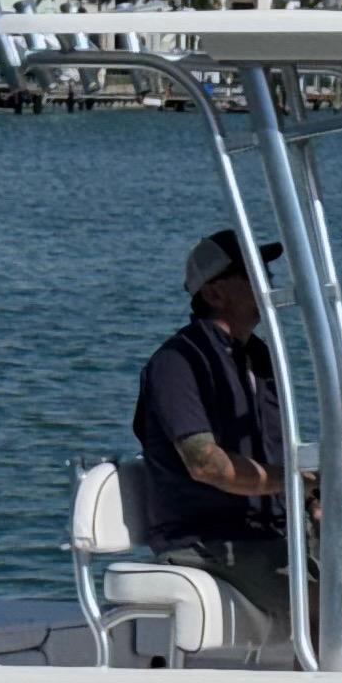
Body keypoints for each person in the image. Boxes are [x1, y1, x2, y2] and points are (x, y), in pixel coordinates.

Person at [130, 229, 300, 632]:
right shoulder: (178, 363)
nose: (268, 283)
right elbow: (208, 465)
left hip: (265, 536)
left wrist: (316, 499)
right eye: (253, 272)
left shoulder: (259, 359)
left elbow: (278, 455)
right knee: (329, 597)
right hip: (207, 542)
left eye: (267, 273)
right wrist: (297, 484)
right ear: (214, 293)